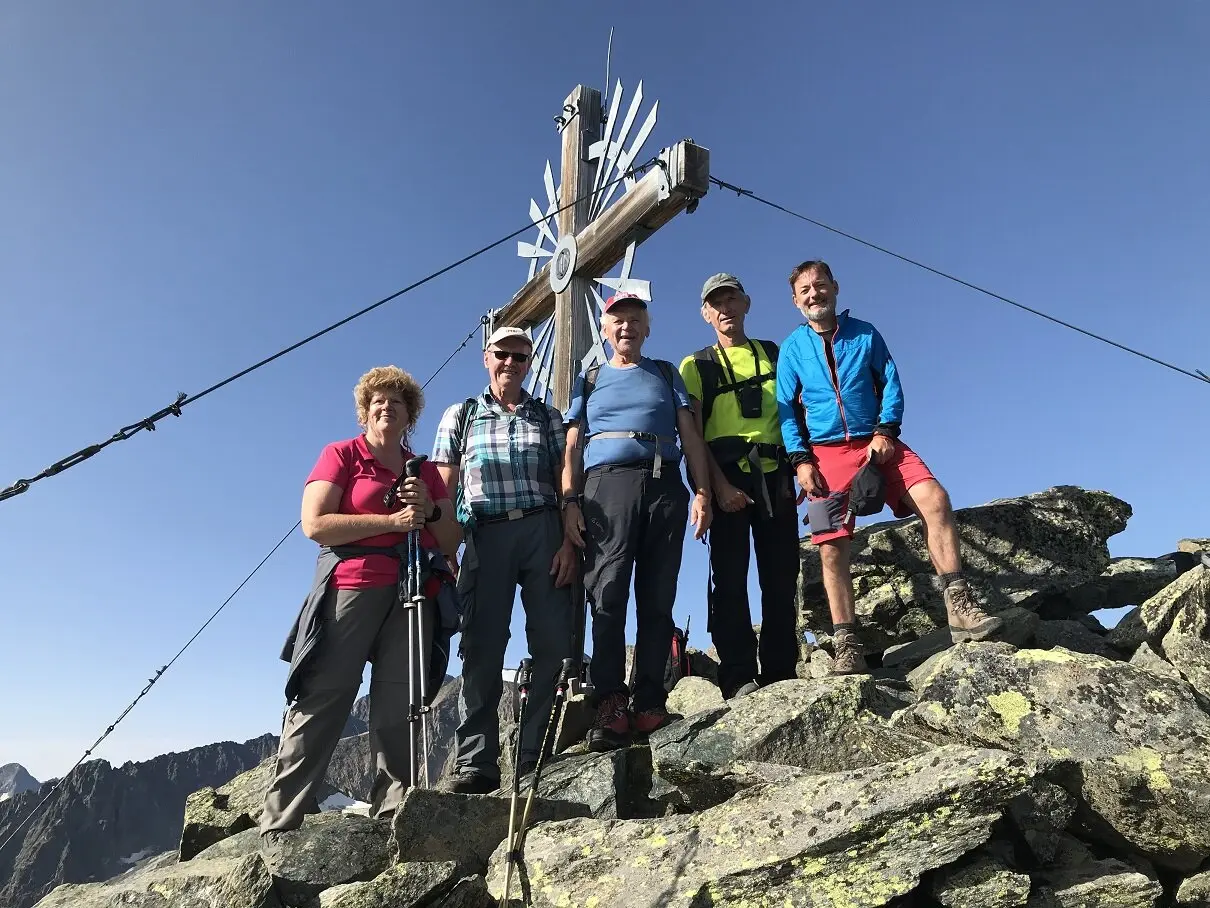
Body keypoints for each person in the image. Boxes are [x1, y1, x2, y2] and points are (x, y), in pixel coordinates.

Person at [775, 261, 1003, 674]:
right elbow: (786, 410)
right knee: (830, 547)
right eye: (805, 290)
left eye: (820, 285)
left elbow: (891, 383)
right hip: (825, 455)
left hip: (878, 441)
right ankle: (847, 644)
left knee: (935, 499)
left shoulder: (865, 333)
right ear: (795, 300)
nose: (814, 294)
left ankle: (960, 608)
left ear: (835, 287)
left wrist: (885, 430)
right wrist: (801, 460)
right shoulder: (792, 348)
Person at [262, 366, 461, 833]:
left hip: (412, 592)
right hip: (351, 585)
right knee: (325, 694)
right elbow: (315, 525)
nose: (386, 407)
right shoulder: (342, 455)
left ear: (411, 414)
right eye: (378, 401)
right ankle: (281, 817)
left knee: (399, 703)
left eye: (397, 401)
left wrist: (429, 510)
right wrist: (393, 522)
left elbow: (450, 537)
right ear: (364, 411)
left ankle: (393, 812)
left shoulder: (425, 471)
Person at [562, 293, 714, 751]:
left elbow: (689, 434)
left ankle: (649, 701)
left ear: (647, 328)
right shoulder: (589, 379)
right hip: (606, 484)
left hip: (665, 482)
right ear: (605, 331)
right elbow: (572, 442)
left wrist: (702, 490)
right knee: (607, 591)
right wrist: (569, 500)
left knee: (659, 592)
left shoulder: (667, 374)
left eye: (634, 320)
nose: (626, 327)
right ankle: (610, 703)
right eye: (617, 321)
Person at [430, 326, 577, 794]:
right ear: (485, 358)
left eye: (520, 356)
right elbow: (444, 485)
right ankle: (477, 762)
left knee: (554, 641)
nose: (511, 362)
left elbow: (563, 476)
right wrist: (444, 547)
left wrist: (569, 541)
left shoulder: (547, 416)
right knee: (482, 646)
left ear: (529, 362)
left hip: (543, 529)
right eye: (502, 354)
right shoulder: (462, 414)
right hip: (482, 533)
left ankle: (536, 756)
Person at [679, 273, 800, 700]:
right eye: (716, 303)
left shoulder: (774, 353)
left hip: (777, 473)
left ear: (746, 303)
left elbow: (797, 411)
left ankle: (782, 670)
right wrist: (715, 487)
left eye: (732, 299)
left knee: (782, 575)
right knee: (728, 579)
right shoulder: (696, 366)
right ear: (706, 313)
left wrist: (800, 465)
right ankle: (738, 675)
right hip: (727, 474)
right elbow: (692, 432)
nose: (725, 308)